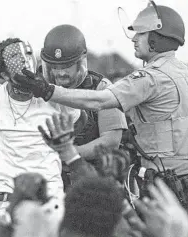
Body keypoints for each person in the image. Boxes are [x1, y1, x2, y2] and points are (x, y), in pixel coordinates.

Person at [13, 3, 188, 208]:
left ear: (155, 39)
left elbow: (101, 101)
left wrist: (48, 91)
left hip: (170, 188)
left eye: (140, 34)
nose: (134, 39)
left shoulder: (151, 78)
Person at [0, 38, 81, 213]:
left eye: (27, 54)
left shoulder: (54, 96)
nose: (24, 60)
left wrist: (48, 92)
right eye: (16, 58)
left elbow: (80, 118)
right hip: (6, 196)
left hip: (49, 195)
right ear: (4, 75)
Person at [39, 25, 127, 188]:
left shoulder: (102, 88)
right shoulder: (40, 88)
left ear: (80, 62)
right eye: (55, 67)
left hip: (91, 180)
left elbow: (112, 140)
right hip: (49, 181)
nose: (60, 73)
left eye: (66, 67)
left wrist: (69, 153)